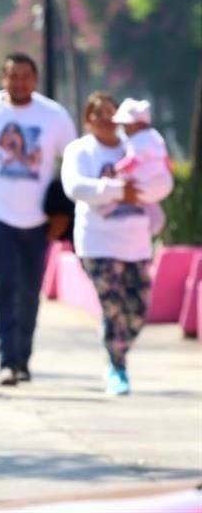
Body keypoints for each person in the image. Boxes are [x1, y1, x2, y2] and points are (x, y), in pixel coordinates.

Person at [0, 52, 76, 387]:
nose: (19, 82)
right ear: (3, 78)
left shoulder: (53, 115)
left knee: (29, 290)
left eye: (25, 76)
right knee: (5, 284)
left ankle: (23, 357)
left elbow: (75, 162)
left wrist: (64, 211)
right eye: (12, 76)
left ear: (34, 79)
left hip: (39, 220)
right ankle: (7, 358)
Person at [61, 92, 173, 395]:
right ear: (88, 120)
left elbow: (153, 184)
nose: (106, 118)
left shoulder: (135, 146)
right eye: (97, 113)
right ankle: (117, 367)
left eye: (111, 112)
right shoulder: (81, 150)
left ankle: (116, 343)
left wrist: (152, 208)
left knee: (138, 310)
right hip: (97, 243)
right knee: (112, 306)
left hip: (135, 244)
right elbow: (74, 186)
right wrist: (115, 190)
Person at [109, 98, 171, 234]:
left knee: (120, 184)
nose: (124, 128)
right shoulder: (155, 136)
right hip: (164, 181)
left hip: (146, 183)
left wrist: (117, 171)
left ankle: (109, 208)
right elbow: (166, 159)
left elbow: (133, 161)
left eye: (125, 125)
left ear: (135, 124)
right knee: (150, 208)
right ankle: (153, 224)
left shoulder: (139, 140)